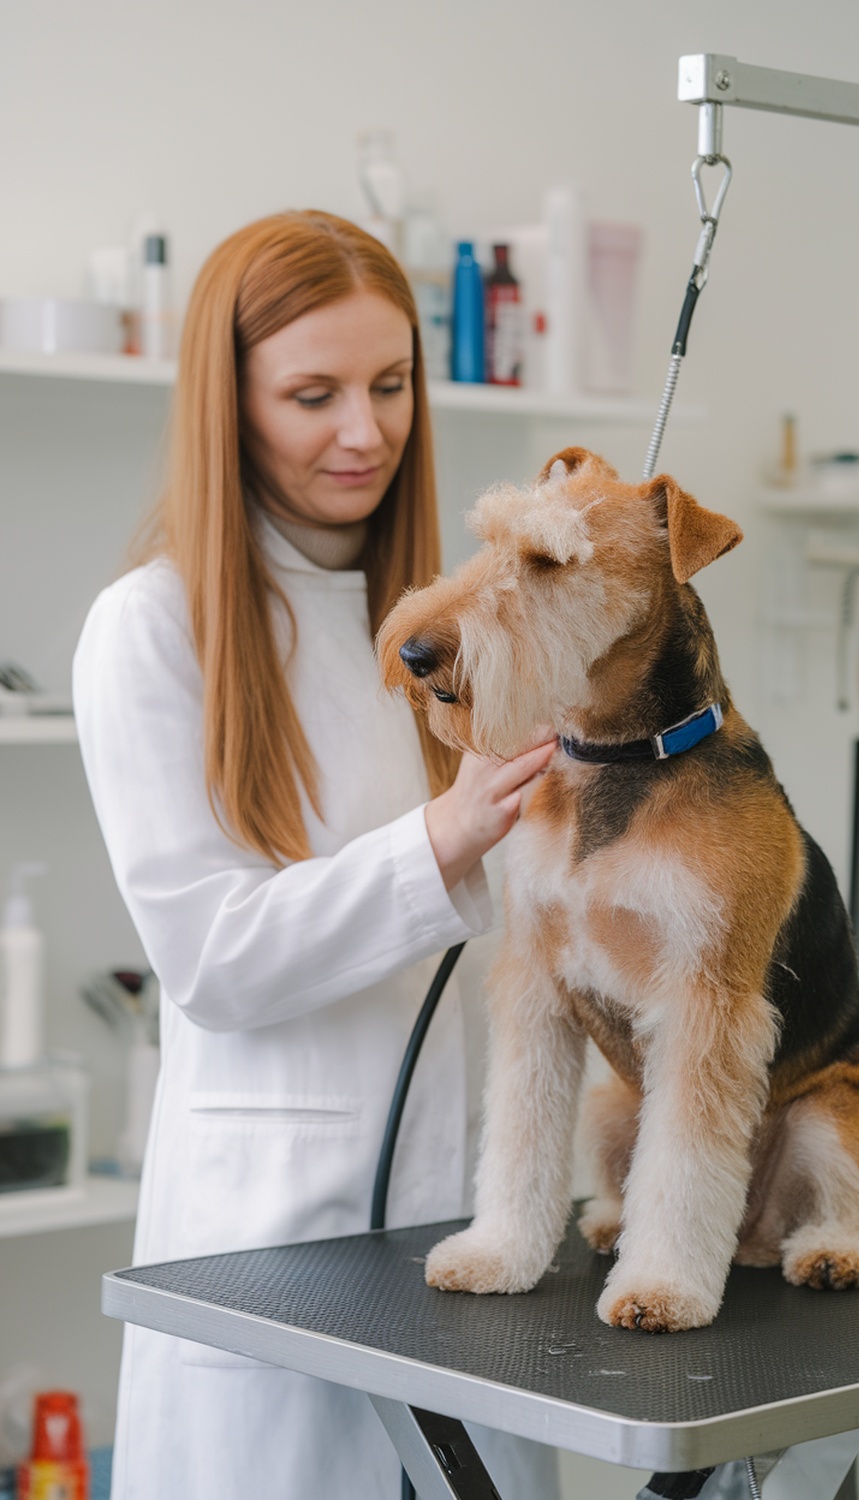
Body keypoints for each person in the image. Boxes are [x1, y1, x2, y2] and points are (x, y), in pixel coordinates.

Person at [73, 210, 558, 1500]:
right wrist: (443, 836)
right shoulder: (152, 631)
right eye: (313, 394)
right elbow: (213, 959)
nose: (366, 431)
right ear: (227, 401)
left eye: (392, 385)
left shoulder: (460, 627)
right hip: (273, 1251)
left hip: (473, 1237)